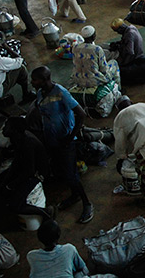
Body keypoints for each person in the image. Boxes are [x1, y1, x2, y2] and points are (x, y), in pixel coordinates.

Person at [30, 66, 93, 224]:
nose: (32, 82)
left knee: (71, 174)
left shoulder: (60, 92)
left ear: (45, 80)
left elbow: (81, 114)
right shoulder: (40, 93)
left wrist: (70, 137)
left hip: (66, 139)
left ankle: (87, 203)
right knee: (63, 171)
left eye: (35, 79)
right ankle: (74, 195)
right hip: (52, 139)